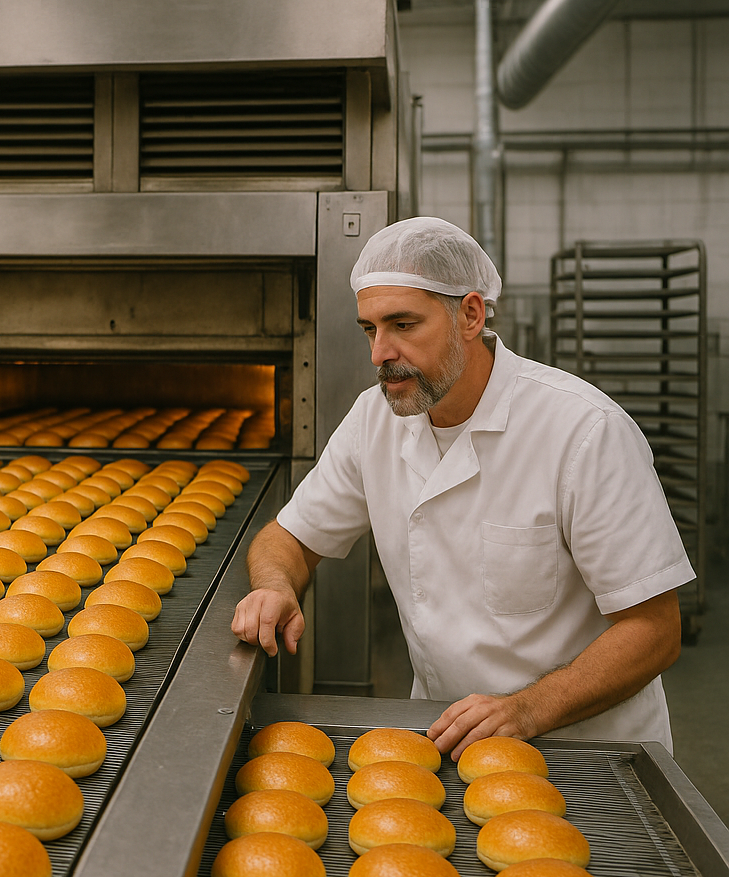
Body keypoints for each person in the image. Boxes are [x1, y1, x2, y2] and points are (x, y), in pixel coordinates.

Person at [231, 217, 692, 756]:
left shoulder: (582, 431)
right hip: (448, 738)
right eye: (370, 329)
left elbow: (654, 630)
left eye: (403, 325)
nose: (380, 353)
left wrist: (525, 709)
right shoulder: (374, 420)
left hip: (585, 750)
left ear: (470, 314)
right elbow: (288, 538)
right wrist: (276, 586)